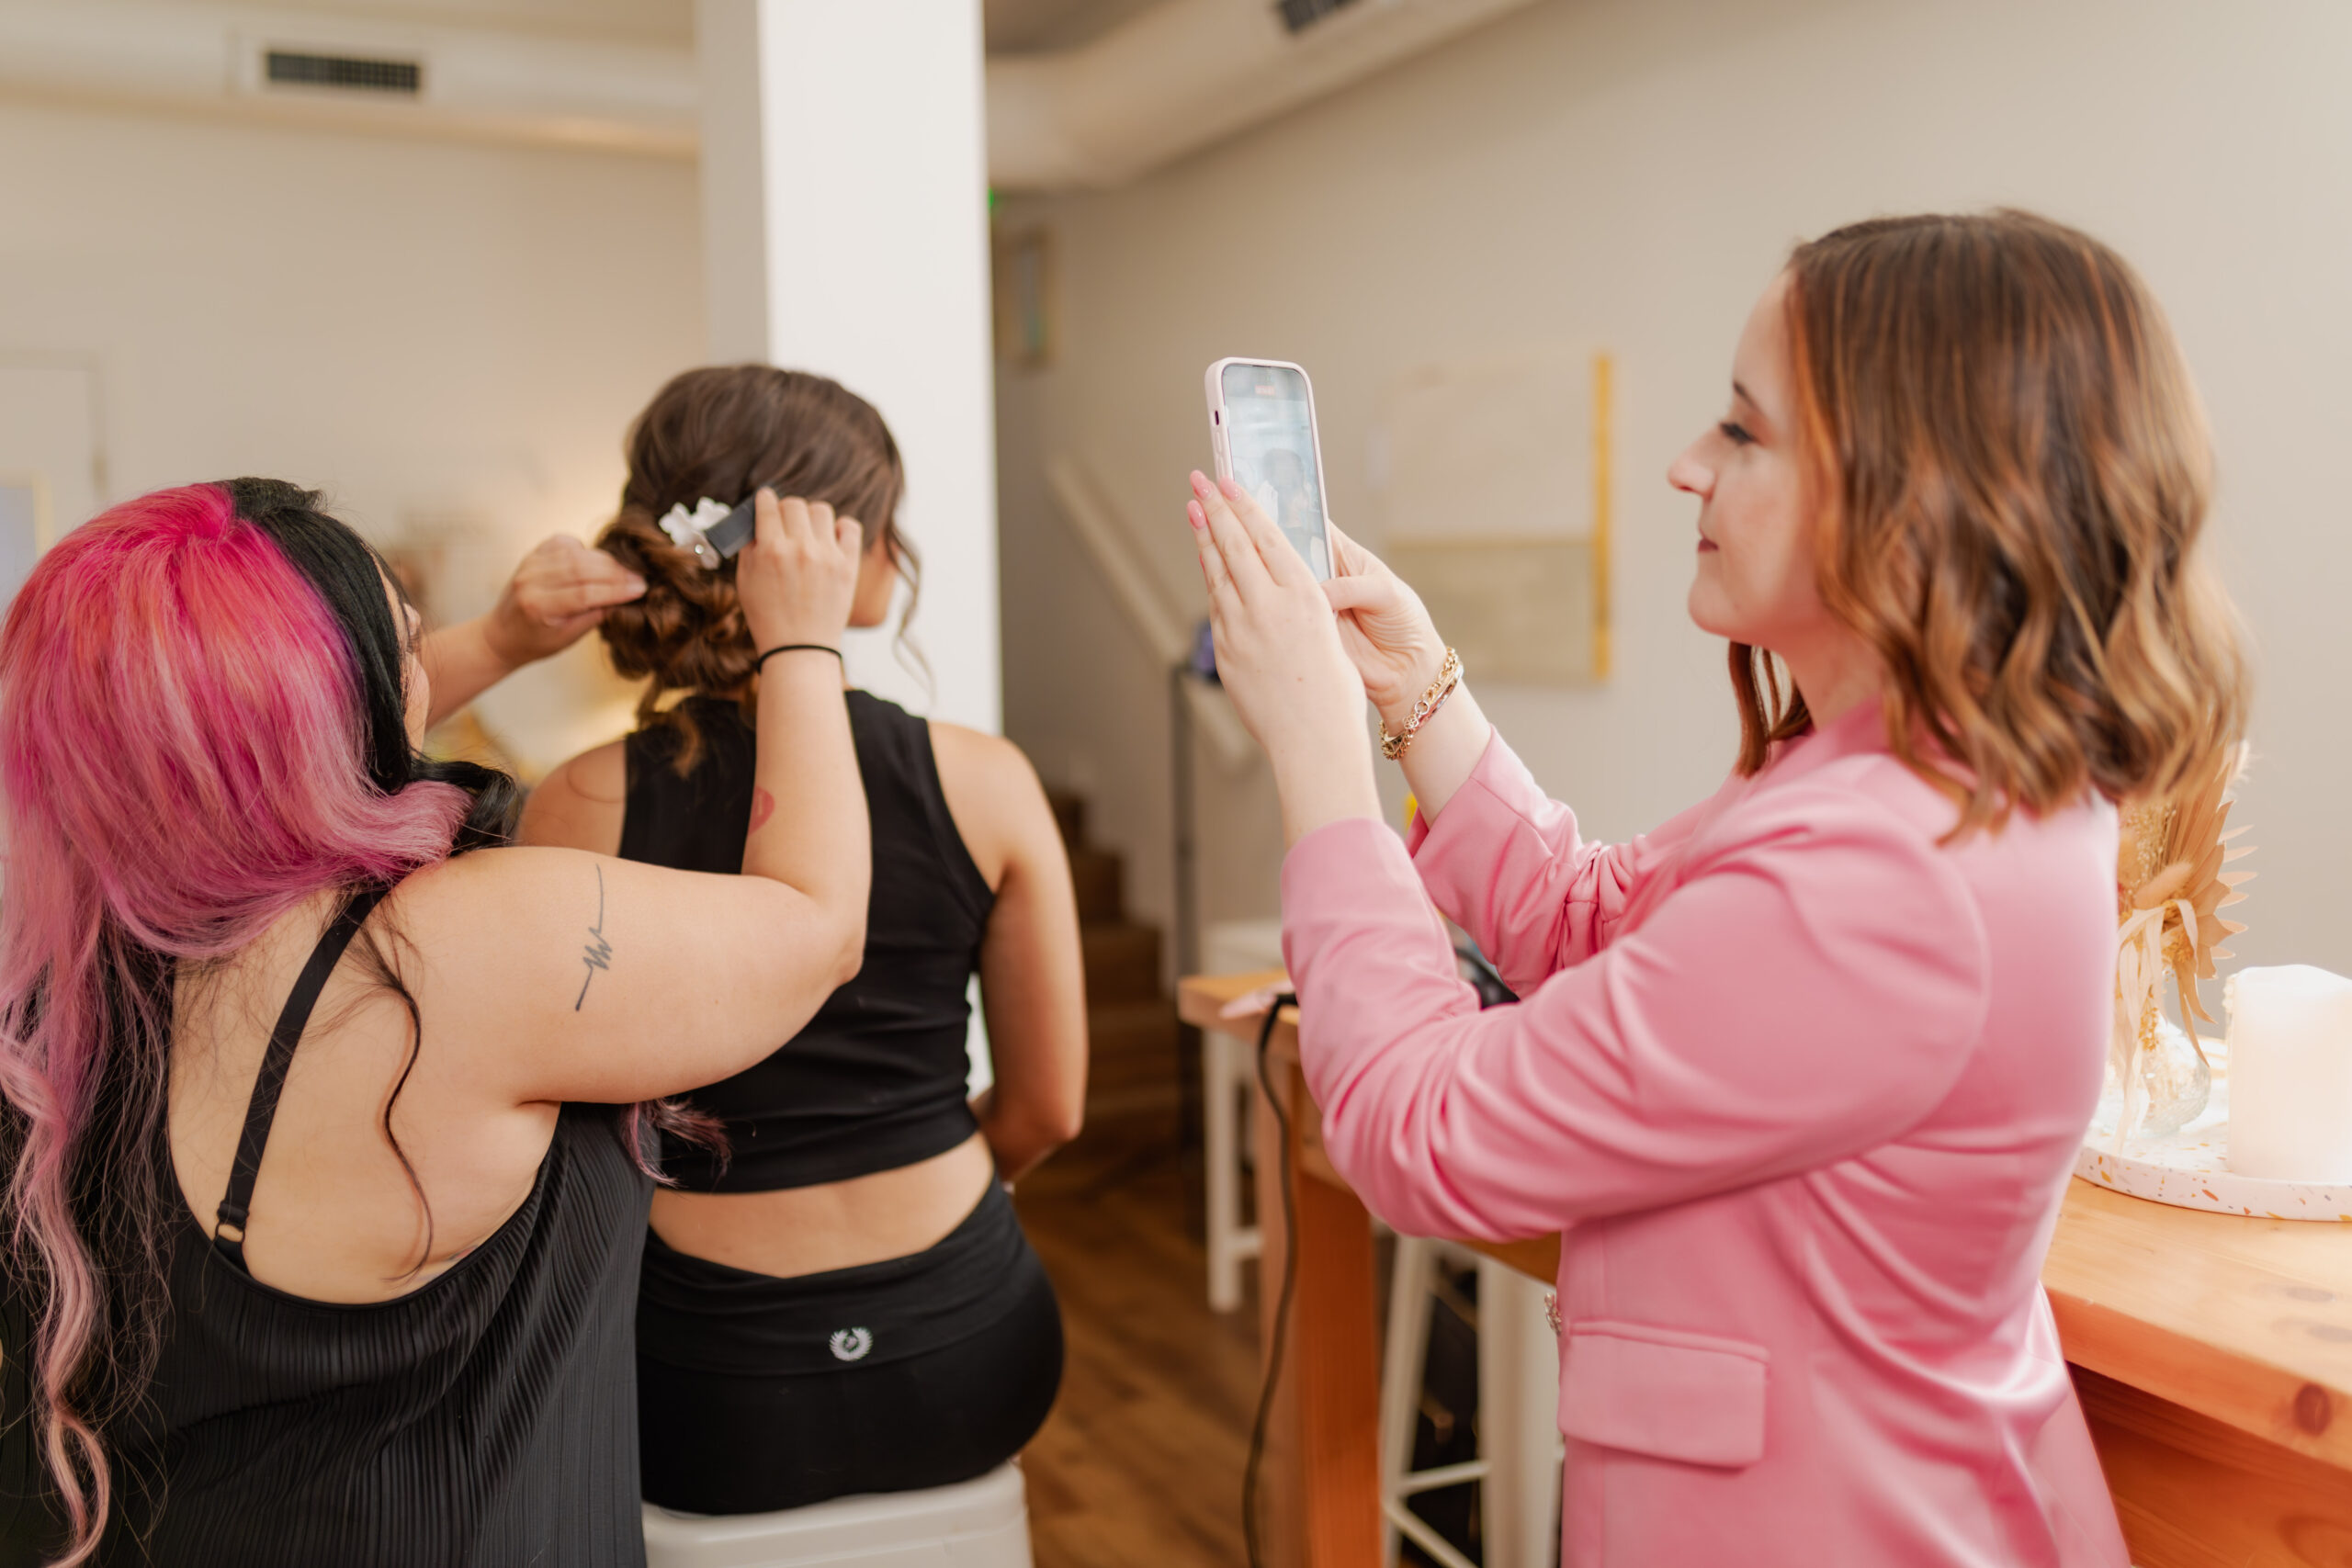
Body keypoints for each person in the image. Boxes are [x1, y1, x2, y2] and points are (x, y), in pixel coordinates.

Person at [1184, 211, 2244, 1566]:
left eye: (1744, 433)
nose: (1689, 465)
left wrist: (1322, 765)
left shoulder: (1891, 867)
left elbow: (1418, 1125)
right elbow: (1591, 924)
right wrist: (1417, 694)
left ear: (1911, 493)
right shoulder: (1914, 778)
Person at [0, 476, 872, 1567]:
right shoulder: (449, 954)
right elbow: (817, 927)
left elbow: (241, 739)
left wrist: (504, 639)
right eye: (414, 646)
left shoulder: (64, 978)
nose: (430, 668)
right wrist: (803, 645)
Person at [520, 366, 1085, 1516]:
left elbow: (560, 1137)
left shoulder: (584, 804)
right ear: (834, 545)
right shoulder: (988, 783)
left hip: (708, 1383)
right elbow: (1045, 1112)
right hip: (975, 1351)